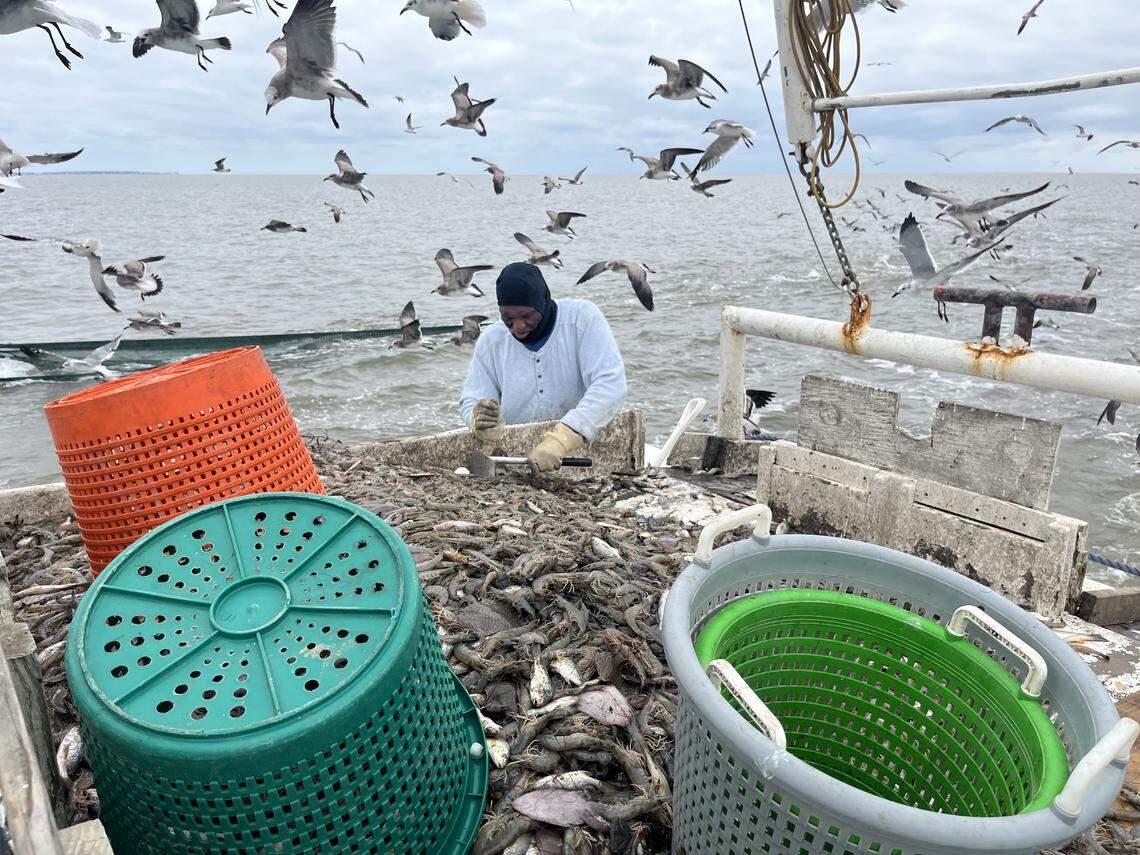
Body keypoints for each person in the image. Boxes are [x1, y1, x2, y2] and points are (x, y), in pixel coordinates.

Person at [459, 262, 627, 473]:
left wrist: (565, 437)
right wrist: (479, 418)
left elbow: (610, 384)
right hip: (518, 462)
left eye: (527, 317)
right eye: (508, 319)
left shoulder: (582, 318)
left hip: (579, 453)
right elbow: (472, 398)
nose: (518, 327)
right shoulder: (492, 340)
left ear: (543, 302)